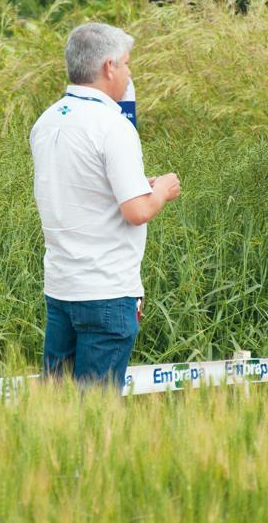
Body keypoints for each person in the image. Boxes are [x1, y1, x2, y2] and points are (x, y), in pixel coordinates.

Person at [30, 22, 181, 391]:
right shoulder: (112, 125)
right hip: (107, 291)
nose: (130, 74)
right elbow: (137, 212)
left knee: (59, 409)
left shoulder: (46, 121)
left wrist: (133, 190)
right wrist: (161, 189)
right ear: (109, 66)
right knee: (96, 415)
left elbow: (82, 189)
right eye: (128, 64)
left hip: (61, 287)